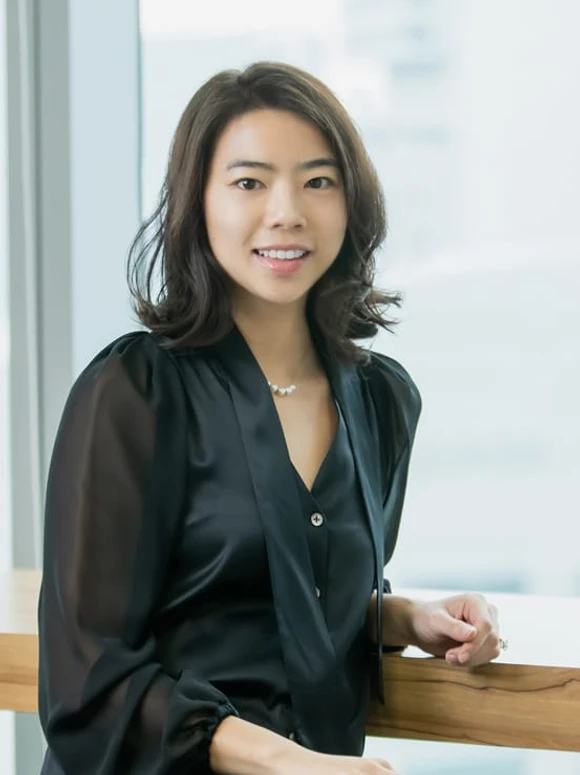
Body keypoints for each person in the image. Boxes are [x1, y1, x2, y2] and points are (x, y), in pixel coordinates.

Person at [38, 61, 502, 775]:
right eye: (250, 182)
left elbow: (287, 594)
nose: (286, 211)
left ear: (353, 203)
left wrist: (402, 617)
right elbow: (88, 678)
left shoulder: (382, 401)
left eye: (318, 181)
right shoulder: (132, 393)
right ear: (199, 201)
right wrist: (286, 762)